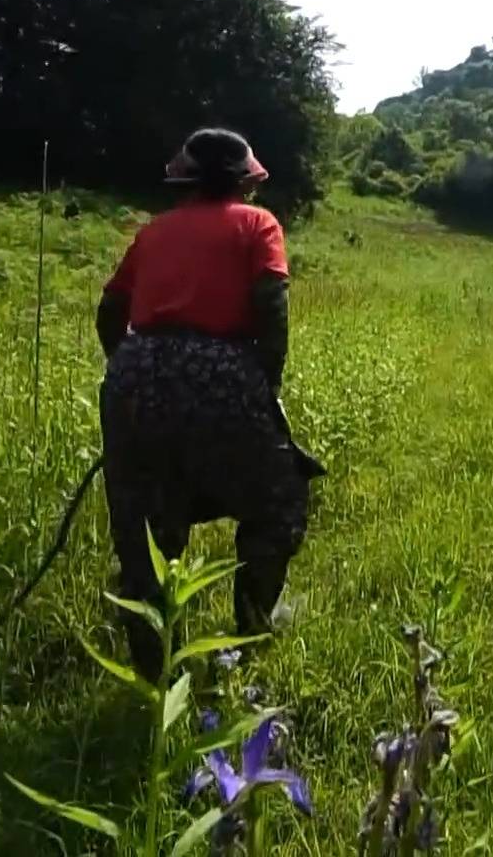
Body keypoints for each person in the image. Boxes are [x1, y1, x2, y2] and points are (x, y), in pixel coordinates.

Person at [95, 128, 311, 678]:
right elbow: (272, 308)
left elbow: (109, 310)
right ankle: (249, 632)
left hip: (136, 371)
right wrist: (264, 383)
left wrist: (131, 373)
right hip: (222, 371)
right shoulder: (258, 224)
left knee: (145, 521)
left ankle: (153, 667)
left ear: (186, 179)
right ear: (244, 181)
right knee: (277, 500)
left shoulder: (155, 232)